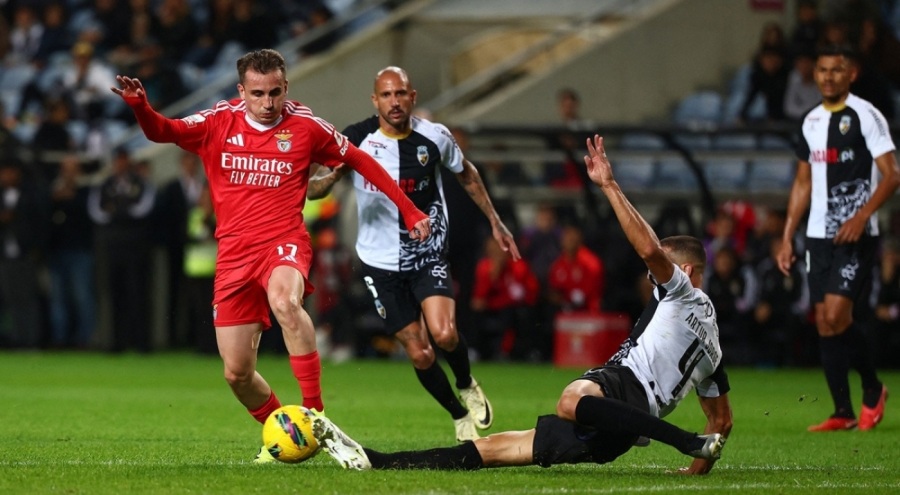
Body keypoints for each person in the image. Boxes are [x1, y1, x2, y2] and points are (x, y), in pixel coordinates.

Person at [311, 135, 733, 474]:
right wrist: (697, 470)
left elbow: (649, 252)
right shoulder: (711, 342)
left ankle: (680, 439)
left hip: (623, 388)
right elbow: (721, 421)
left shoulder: (681, 291)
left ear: (690, 272)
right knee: (496, 448)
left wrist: (608, 185)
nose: (652, 277)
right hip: (616, 433)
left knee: (569, 399)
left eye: (665, 267)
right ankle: (378, 462)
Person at [110, 48, 432, 461]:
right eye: (258, 93)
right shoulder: (216, 121)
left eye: (275, 92)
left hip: (283, 241)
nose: (267, 103)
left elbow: (360, 160)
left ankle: (316, 416)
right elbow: (163, 132)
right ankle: (290, 433)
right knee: (237, 373)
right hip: (232, 255)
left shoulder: (305, 127)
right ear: (241, 90)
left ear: (286, 87)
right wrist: (141, 107)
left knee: (285, 301)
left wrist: (409, 209)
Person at [307, 66, 520, 443]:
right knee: (421, 354)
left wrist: (495, 222)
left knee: (445, 333)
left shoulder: (435, 137)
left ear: (413, 97)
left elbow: (466, 174)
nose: (394, 102)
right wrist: (321, 180)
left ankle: (467, 382)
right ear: (375, 100)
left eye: (401, 94)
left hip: (427, 252)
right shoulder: (355, 139)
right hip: (379, 263)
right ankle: (457, 414)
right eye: (386, 95)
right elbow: (320, 187)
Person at [777, 44, 898, 432]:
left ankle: (872, 388)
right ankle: (842, 412)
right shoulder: (810, 121)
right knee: (824, 323)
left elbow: (892, 174)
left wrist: (863, 217)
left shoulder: (866, 115)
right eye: (823, 70)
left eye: (836, 70)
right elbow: (801, 182)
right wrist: (786, 236)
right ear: (815, 74)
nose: (828, 76)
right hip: (816, 237)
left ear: (851, 74)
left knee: (836, 314)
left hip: (854, 234)